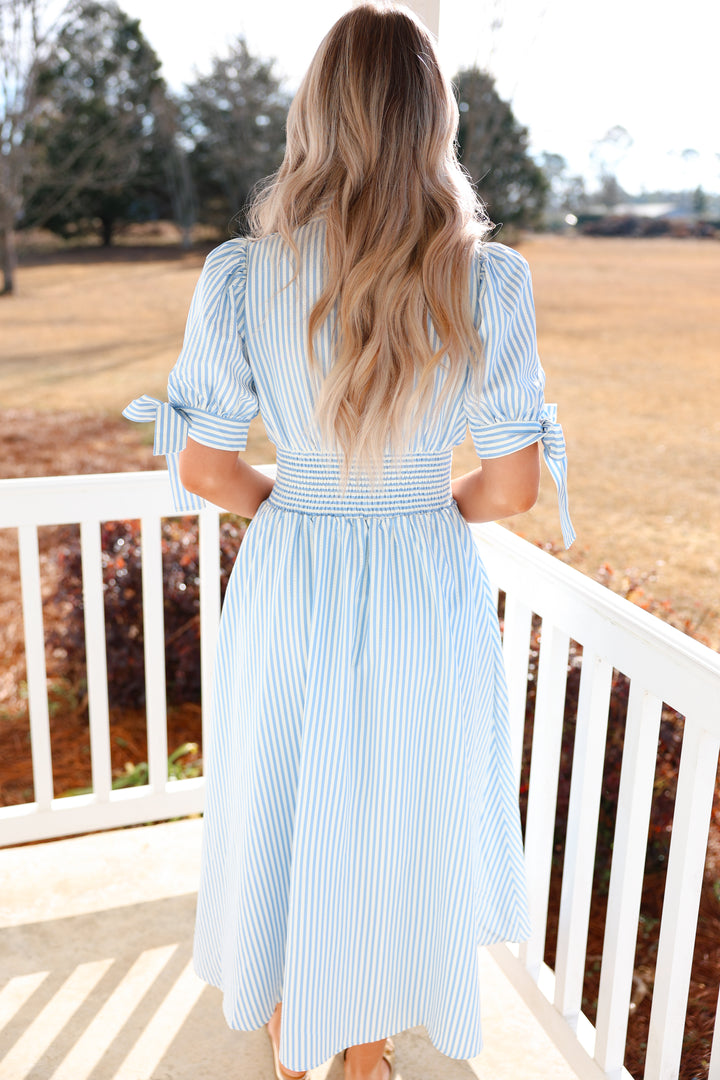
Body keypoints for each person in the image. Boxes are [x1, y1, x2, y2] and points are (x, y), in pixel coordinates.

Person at [123, 4, 574, 1078]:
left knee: (284, 786)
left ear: (315, 114)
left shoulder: (245, 272)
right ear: (435, 119)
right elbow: (513, 486)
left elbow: (203, 464)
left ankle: (300, 1039)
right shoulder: (489, 280)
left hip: (295, 568)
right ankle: (356, 1050)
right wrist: (418, 506)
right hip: (424, 577)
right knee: (395, 810)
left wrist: (299, 492)